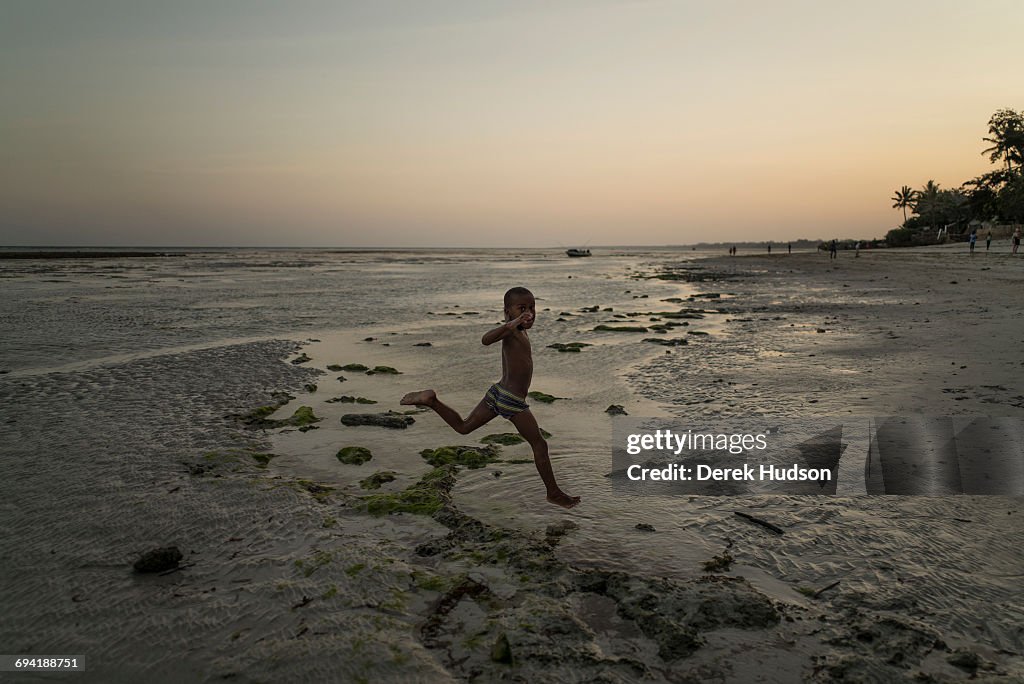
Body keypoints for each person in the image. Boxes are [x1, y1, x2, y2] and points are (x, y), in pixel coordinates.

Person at [400, 287, 580, 509]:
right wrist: (510, 325)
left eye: (532, 307)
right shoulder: (512, 330)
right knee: (539, 445)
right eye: (522, 308)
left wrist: (516, 323)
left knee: (464, 427)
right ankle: (553, 493)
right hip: (511, 400)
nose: (529, 313)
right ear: (507, 312)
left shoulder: (521, 331)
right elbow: (486, 340)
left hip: (498, 392)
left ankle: (432, 401)